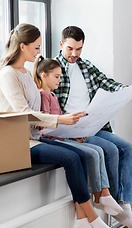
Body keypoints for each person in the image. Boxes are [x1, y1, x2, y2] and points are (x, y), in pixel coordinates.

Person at [0, 23, 120, 228]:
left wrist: (60, 126)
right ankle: (92, 219)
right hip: (20, 144)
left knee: (81, 153)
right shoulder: (8, 74)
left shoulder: (24, 72)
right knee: (70, 158)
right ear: (22, 46)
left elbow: (35, 112)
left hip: (35, 137)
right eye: (36, 47)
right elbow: (23, 112)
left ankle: (81, 221)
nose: (39, 52)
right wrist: (59, 120)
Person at [53, 26, 132, 228]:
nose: (74, 54)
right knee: (111, 150)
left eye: (79, 49)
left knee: (129, 147)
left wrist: (130, 90)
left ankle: (125, 205)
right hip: (72, 131)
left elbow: (108, 83)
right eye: (70, 49)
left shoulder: (86, 66)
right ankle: (111, 202)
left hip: (94, 125)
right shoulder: (53, 68)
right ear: (61, 44)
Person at [32, 55, 123, 216]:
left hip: (61, 137)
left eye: (61, 76)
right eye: (57, 76)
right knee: (93, 153)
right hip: (51, 141)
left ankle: (104, 194)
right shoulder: (42, 95)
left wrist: (73, 134)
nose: (60, 80)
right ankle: (99, 195)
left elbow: (57, 122)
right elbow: (43, 124)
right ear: (43, 75)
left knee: (97, 151)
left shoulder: (53, 96)